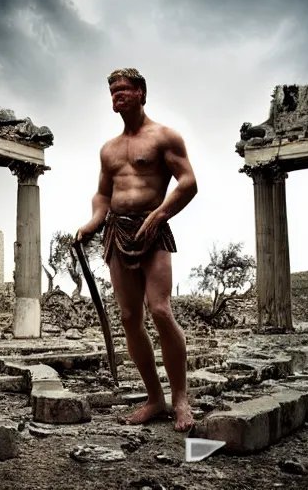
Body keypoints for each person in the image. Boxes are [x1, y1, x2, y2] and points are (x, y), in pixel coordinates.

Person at [76, 68, 198, 431]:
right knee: (130, 317)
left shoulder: (164, 136)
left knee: (159, 309)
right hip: (118, 232)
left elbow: (188, 181)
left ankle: (180, 399)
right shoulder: (109, 149)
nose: (117, 94)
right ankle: (154, 398)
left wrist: (161, 214)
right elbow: (102, 193)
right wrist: (93, 221)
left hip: (153, 229)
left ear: (141, 92)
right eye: (112, 90)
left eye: (124, 89)